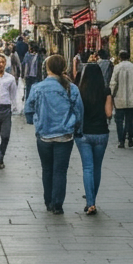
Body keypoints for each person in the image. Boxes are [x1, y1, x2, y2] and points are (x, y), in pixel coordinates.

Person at [23, 54, 82, 216]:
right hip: (65, 136)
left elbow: (28, 109)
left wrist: (34, 120)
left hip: (44, 135)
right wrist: (77, 128)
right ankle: (57, 205)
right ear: (64, 68)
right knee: (60, 171)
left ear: (47, 68)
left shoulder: (37, 87)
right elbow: (79, 111)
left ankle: (48, 201)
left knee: (47, 169)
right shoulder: (71, 88)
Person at [74, 63, 112, 216]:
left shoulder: (79, 91)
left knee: (87, 168)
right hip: (101, 133)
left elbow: (76, 112)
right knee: (97, 168)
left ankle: (91, 203)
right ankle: (92, 200)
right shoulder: (105, 90)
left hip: (84, 134)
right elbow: (109, 113)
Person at [109, 50, 133, 148]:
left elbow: (113, 84)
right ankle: (129, 137)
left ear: (120, 57)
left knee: (119, 120)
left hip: (120, 99)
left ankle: (121, 140)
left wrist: (111, 96)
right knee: (129, 120)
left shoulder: (117, 68)